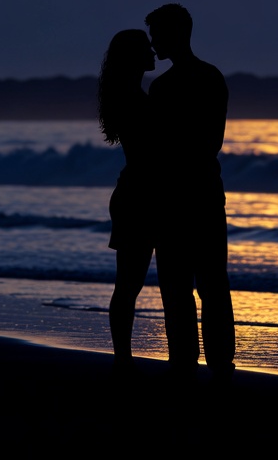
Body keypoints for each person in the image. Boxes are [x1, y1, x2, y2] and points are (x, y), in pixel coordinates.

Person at [145, 3, 235, 379]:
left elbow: (158, 148)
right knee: (209, 283)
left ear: (175, 34)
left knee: (180, 285)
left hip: (178, 196)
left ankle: (186, 360)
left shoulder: (166, 87)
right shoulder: (210, 77)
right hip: (202, 192)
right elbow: (211, 141)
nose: (152, 42)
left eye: (157, 34)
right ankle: (217, 362)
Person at [97, 29, 158, 371]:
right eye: (146, 49)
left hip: (134, 192)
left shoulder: (130, 94)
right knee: (128, 285)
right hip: (139, 196)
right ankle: (122, 357)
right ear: (134, 57)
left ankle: (123, 357)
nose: (152, 52)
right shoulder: (134, 99)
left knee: (128, 284)